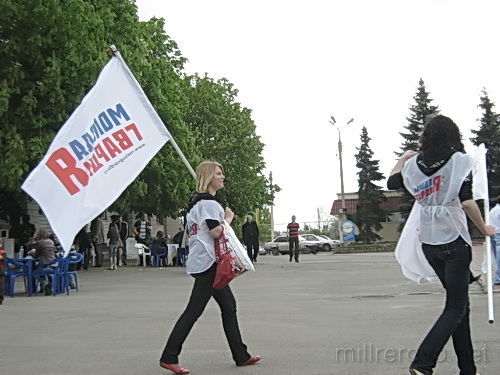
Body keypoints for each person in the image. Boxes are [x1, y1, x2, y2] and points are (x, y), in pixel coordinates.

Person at [387, 115, 494, 375]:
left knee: (460, 307)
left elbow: (391, 182)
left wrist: (403, 158)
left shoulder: (414, 165)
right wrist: (484, 229)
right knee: (455, 306)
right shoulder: (460, 161)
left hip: (430, 242)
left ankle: (468, 369)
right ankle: (423, 362)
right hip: (455, 240)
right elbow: (467, 202)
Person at [159, 161, 260, 374]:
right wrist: (229, 218)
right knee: (194, 310)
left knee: (229, 306)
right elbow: (215, 232)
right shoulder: (209, 204)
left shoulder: (197, 203)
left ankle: (241, 355)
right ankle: (169, 356)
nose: (223, 176)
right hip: (209, 263)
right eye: (219, 173)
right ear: (208, 177)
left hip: (203, 262)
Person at [30, 228, 56, 295]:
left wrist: (31, 252)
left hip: (46, 265)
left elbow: (36, 255)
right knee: (41, 272)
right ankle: (48, 286)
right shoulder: (51, 241)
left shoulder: (40, 242)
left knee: (35, 273)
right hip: (54, 265)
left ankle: (46, 285)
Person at [489, 196, 500, 291]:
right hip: (498, 234)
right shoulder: (498, 210)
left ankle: (497, 279)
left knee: (498, 258)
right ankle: (498, 280)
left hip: (494, 234)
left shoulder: (494, 210)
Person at [0, 238, 5, 305]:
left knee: (1, 286)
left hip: (1, 272)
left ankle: (0, 299)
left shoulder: (3, 253)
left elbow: (5, 260)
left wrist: (2, 257)